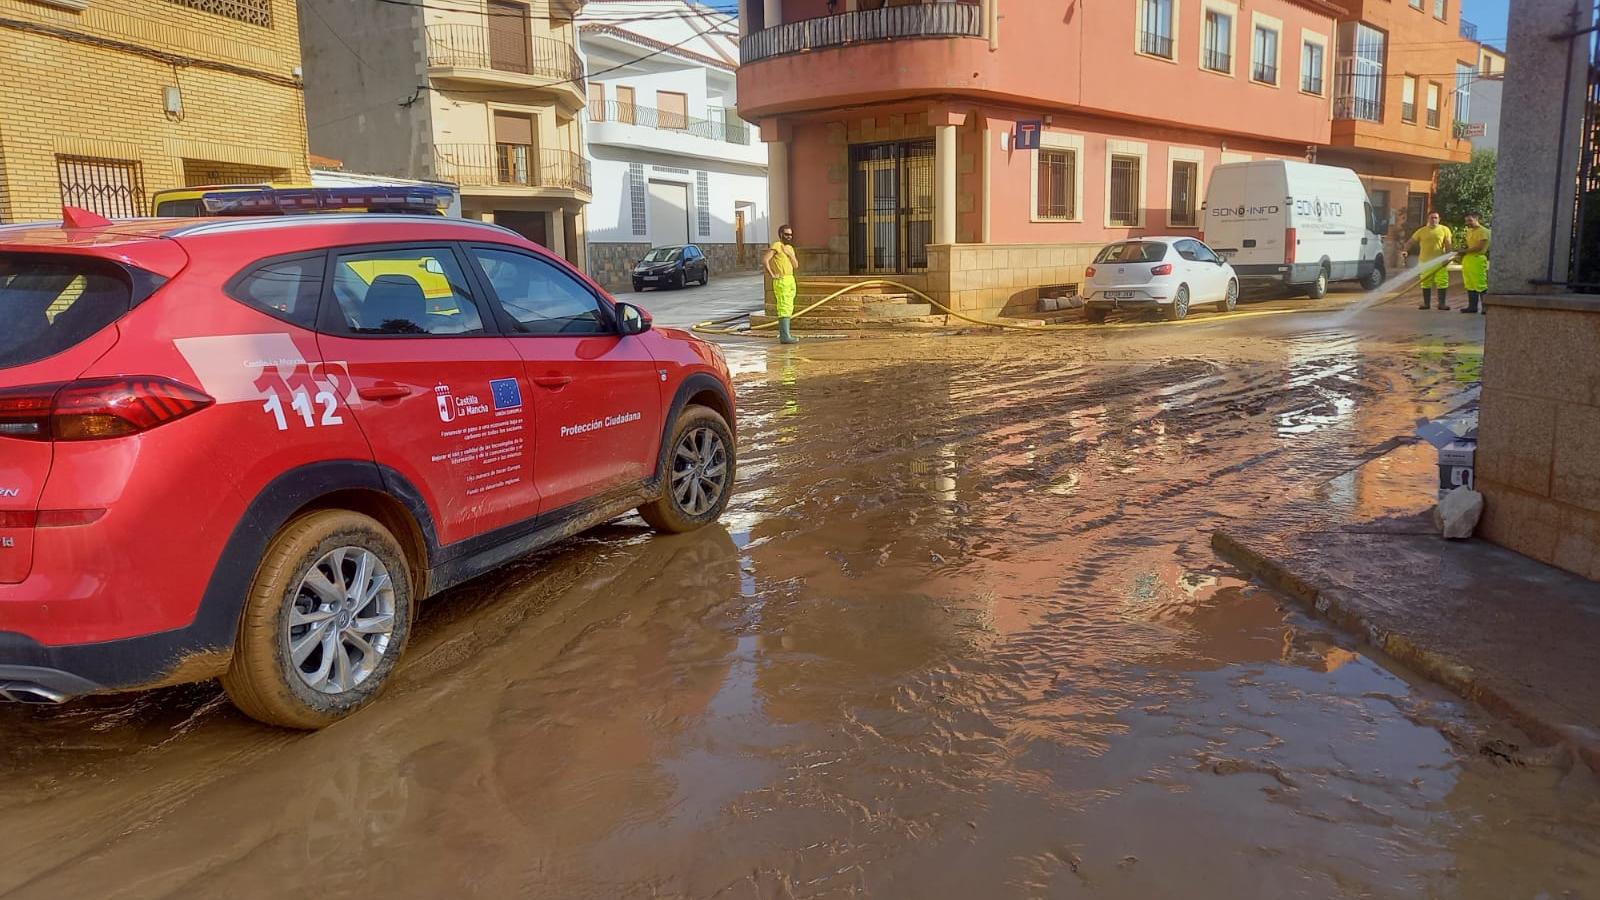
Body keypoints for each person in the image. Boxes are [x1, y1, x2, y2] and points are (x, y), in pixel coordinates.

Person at [1404, 211, 1456, 310]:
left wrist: (1448, 257)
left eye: (1436, 218)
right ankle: (1426, 304)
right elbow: (1410, 242)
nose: (1434, 220)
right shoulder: (1421, 231)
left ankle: (1442, 304)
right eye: (1432, 218)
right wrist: (1405, 250)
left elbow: (1448, 244)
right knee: (1425, 282)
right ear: (1428, 219)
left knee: (1442, 282)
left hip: (1440, 262)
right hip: (1425, 262)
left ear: (1439, 219)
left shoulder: (1445, 230)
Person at [763, 224, 799, 344]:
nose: (789, 236)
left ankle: (787, 333)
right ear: (781, 235)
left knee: (789, 307)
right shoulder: (777, 245)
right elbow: (765, 260)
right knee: (783, 306)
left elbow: (796, 265)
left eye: (790, 235)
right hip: (781, 280)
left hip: (790, 279)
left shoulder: (789, 248)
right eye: (786, 234)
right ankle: (784, 335)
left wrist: (790, 254)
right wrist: (772, 275)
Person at [1460, 212, 1491, 314]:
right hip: (1468, 259)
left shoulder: (1483, 231)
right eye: (1466, 221)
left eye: (1470, 220)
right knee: (1470, 284)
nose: (1467, 223)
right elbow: (1469, 245)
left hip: (1478, 258)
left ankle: (1485, 307)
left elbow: (1479, 247)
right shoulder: (1469, 231)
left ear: (1477, 219)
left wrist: (1464, 251)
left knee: (1480, 284)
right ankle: (1472, 307)